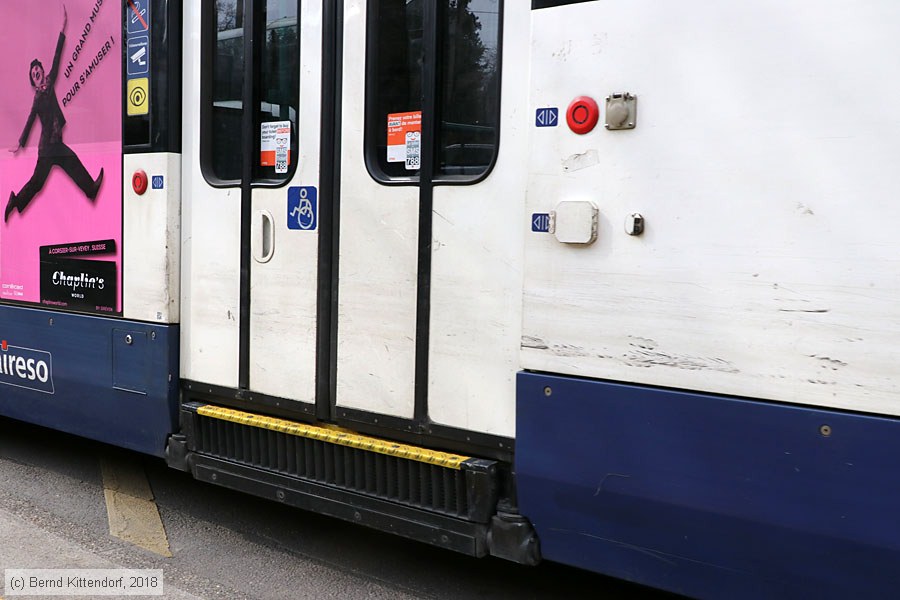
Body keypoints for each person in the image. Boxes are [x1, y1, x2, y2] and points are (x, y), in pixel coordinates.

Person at [5, 3, 103, 224]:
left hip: (52, 145)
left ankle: (16, 201)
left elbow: (57, 60)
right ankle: (91, 189)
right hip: (49, 147)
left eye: (38, 69)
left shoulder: (48, 86)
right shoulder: (38, 98)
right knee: (60, 169)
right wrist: (20, 143)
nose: (37, 72)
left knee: (39, 182)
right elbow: (30, 121)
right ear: (33, 80)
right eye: (34, 73)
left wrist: (62, 29)